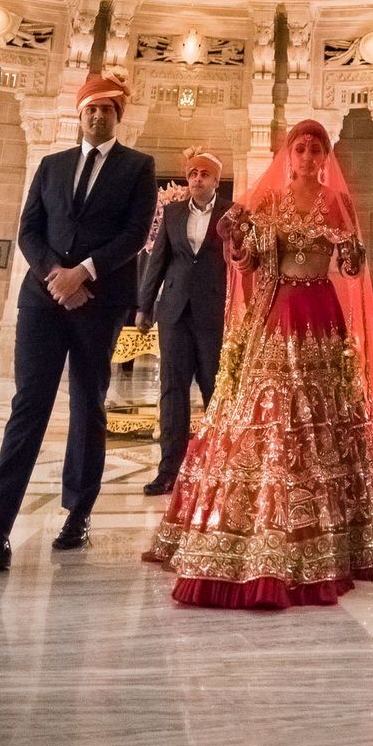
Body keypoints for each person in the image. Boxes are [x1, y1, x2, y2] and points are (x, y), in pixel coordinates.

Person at [144, 119, 373, 609]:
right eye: (300, 148)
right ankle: (260, 516)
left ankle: (336, 531)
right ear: (288, 154)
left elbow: (353, 268)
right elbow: (249, 261)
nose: (308, 156)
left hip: (321, 316)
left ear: (324, 157)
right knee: (271, 416)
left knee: (325, 419)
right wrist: (236, 238)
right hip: (276, 317)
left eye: (316, 149)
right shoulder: (270, 201)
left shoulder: (337, 202)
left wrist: (352, 249)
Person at [0, 73, 157, 571]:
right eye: (90, 109)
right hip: (44, 301)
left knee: (88, 404)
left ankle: (78, 514)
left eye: (107, 110)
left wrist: (84, 273)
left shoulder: (138, 167)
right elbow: (28, 231)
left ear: (118, 117)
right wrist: (55, 277)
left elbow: (135, 234)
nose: (97, 116)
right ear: (79, 114)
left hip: (100, 299)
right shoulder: (51, 166)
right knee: (28, 406)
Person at [136, 146, 231, 497]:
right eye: (192, 174)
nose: (196, 179)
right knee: (172, 392)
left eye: (203, 174)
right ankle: (168, 472)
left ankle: (221, 469)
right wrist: (144, 307)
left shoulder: (231, 213)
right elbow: (157, 261)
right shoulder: (173, 212)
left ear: (216, 180)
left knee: (215, 392)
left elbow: (239, 266)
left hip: (213, 315)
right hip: (174, 313)